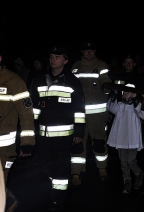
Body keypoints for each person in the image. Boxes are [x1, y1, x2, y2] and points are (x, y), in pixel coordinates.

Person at [30, 45, 85, 211]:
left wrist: (79, 132)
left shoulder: (72, 81)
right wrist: (31, 129)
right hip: (43, 135)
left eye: (58, 57)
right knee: (45, 166)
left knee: (61, 168)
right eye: (51, 56)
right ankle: (48, 192)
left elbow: (79, 109)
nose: (53, 59)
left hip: (64, 136)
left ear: (65, 60)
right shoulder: (39, 80)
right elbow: (33, 107)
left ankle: (58, 201)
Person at [70, 41, 112, 185]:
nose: (89, 53)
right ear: (82, 52)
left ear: (95, 52)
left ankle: (102, 169)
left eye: (91, 50)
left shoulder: (101, 65)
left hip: (97, 114)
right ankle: (76, 172)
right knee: (77, 142)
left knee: (99, 142)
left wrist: (107, 87)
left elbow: (106, 82)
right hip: (79, 113)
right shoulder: (75, 66)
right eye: (86, 50)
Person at [0, 53, 35, 212]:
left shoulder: (14, 81)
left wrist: (27, 143)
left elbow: (26, 113)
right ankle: (9, 200)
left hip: (4, 146)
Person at [106, 83, 144, 194]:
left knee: (131, 160)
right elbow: (110, 107)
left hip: (132, 138)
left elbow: (139, 111)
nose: (126, 94)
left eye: (128, 92)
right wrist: (114, 94)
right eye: (125, 92)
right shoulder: (120, 105)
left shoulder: (136, 105)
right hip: (121, 137)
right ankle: (127, 181)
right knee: (123, 162)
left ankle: (139, 174)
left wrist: (135, 98)